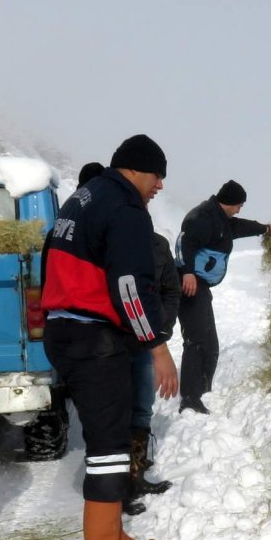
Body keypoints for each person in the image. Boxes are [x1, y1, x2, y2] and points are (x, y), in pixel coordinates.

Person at [43, 137, 173, 540]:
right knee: (108, 451)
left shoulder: (83, 199)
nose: (159, 186)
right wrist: (157, 346)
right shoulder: (123, 207)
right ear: (138, 170)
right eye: (158, 176)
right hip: (92, 336)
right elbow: (131, 285)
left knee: (113, 441)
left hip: (69, 331)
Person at [73, 162, 180, 515]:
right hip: (111, 340)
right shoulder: (95, 236)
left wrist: (157, 334)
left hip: (139, 341)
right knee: (112, 419)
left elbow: (166, 290)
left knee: (141, 409)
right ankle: (114, 492)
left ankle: (133, 478)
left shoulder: (153, 241)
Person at [174, 180, 271, 413]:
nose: (240, 210)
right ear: (231, 201)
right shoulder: (203, 217)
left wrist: (265, 229)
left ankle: (203, 391)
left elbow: (241, 227)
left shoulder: (221, 220)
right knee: (196, 341)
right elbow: (184, 242)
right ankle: (190, 399)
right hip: (190, 286)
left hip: (201, 288)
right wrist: (188, 272)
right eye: (239, 205)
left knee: (211, 344)